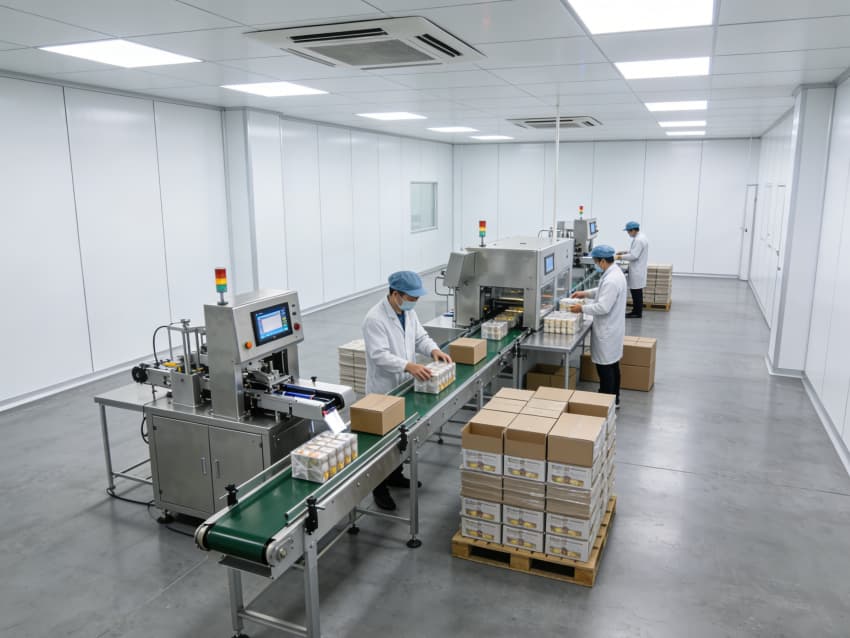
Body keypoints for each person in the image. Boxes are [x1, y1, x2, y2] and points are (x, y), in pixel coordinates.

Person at [362, 270, 452, 511]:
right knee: (382, 442)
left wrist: (433, 350)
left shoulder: (408, 313)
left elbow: (420, 338)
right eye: (411, 298)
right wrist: (408, 366)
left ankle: (395, 475)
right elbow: (379, 355)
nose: (415, 302)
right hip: (383, 389)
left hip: (403, 384)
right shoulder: (374, 319)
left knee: (401, 434)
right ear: (395, 294)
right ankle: (379, 488)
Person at [569, 245, 627, 407]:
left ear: (602, 261)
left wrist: (581, 308)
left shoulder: (612, 280)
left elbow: (603, 307)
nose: (595, 265)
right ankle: (614, 398)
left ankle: (606, 402)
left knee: (605, 368)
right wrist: (585, 293)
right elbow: (602, 289)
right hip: (613, 327)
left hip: (608, 329)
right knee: (613, 365)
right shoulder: (614, 272)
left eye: (595, 262)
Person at [616, 221, 649, 318]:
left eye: (628, 231)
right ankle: (637, 311)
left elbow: (634, 256)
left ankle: (636, 313)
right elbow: (635, 251)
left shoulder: (638, 240)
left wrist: (619, 257)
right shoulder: (641, 237)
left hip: (637, 269)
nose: (628, 233)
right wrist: (624, 252)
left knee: (636, 292)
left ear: (633, 230)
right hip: (639, 268)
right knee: (637, 292)